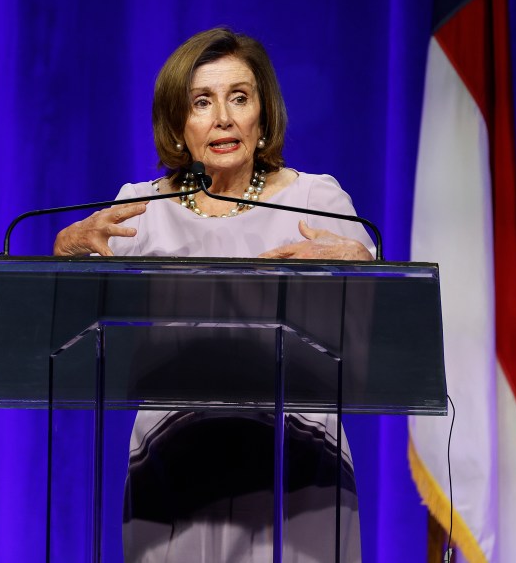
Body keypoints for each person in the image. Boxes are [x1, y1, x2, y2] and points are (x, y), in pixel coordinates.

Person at [54, 28, 374, 562]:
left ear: (262, 115)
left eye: (239, 98)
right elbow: (71, 325)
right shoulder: (138, 212)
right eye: (202, 101)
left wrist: (365, 271)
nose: (223, 117)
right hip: (172, 466)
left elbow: (378, 319)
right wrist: (64, 251)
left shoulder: (315, 200)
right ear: (178, 125)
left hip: (299, 466)